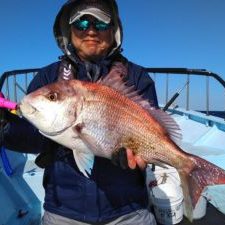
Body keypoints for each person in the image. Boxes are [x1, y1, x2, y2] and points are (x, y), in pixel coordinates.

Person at [2, 0, 158, 224]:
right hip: (64, 211)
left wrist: (145, 151)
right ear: (68, 30)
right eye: (81, 23)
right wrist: (5, 127)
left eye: (101, 24)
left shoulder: (137, 78)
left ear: (114, 30)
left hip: (129, 209)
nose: (91, 31)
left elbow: (153, 130)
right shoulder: (47, 79)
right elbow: (34, 138)